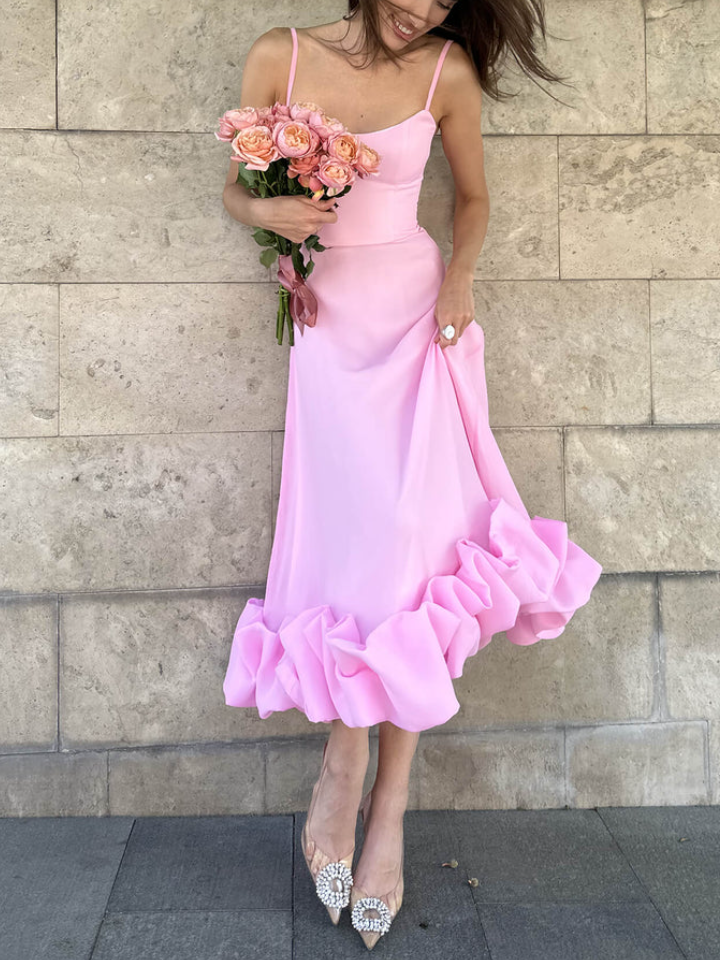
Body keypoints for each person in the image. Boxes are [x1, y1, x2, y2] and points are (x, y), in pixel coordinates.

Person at [220, 0, 602, 949]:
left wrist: (460, 277)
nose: (422, 7)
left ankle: (375, 800)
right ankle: (349, 777)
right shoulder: (280, 54)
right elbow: (235, 189)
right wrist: (270, 216)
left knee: (406, 551)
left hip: (418, 318)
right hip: (327, 324)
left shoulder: (446, 71)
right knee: (353, 553)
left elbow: (472, 200)